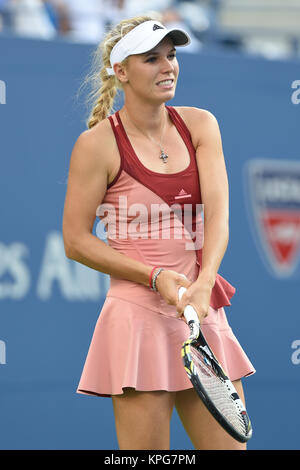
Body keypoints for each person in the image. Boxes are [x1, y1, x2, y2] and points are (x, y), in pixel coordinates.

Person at [62, 15, 255, 450]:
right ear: (121, 71)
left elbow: (219, 218)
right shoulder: (96, 145)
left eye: (171, 55)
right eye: (152, 58)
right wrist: (155, 277)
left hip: (201, 314)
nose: (168, 66)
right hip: (136, 321)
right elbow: (76, 240)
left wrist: (204, 284)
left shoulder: (202, 125)